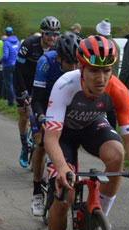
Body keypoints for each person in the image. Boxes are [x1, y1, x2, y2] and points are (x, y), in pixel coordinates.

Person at [44, 35, 129, 230]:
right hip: (64, 135)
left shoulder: (118, 90)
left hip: (91, 125)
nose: (101, 78)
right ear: (81, 68)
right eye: (93, 70)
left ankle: (100, 217)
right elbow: (50, 137)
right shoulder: (64, 85)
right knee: (65, 197)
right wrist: (62, 168)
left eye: (106, 70)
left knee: (117, 155)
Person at [30, 32, 81, 217]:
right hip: (44, 105)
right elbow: (37, 99)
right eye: (69, 63)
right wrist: (42, 118)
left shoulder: (80, 66)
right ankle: (37, 190)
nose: (74, 68)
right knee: (42, 143)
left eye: (77, 62)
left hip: (65, 108)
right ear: (59, 58)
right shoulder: (46, 62)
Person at [14, 16, 60, 168]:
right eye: (48, 34)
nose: (52, 38)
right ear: (42, 33)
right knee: (25, 114)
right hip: (25, 81)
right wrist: (24, 91)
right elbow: (18, 70)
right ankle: (24, 146)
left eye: (55, 34)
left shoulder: (56, 48)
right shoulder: (29, 44)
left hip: (42, 85)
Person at [96, 17, 120, 129]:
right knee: (111, 109)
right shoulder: (116, 44)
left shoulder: (100, 45)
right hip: (113, 79)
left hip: (101, 80)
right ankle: (112, 130)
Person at [0, 26, 20, 106]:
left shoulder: (6, 43)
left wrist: (0, 61)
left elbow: (5, 56)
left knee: (9, 84)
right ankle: (17, 101)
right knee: (15, 84)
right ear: (12, 32)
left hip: (8, 65)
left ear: (6, 34)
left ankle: (11, 102)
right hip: (16, 64)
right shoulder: (17, 42)